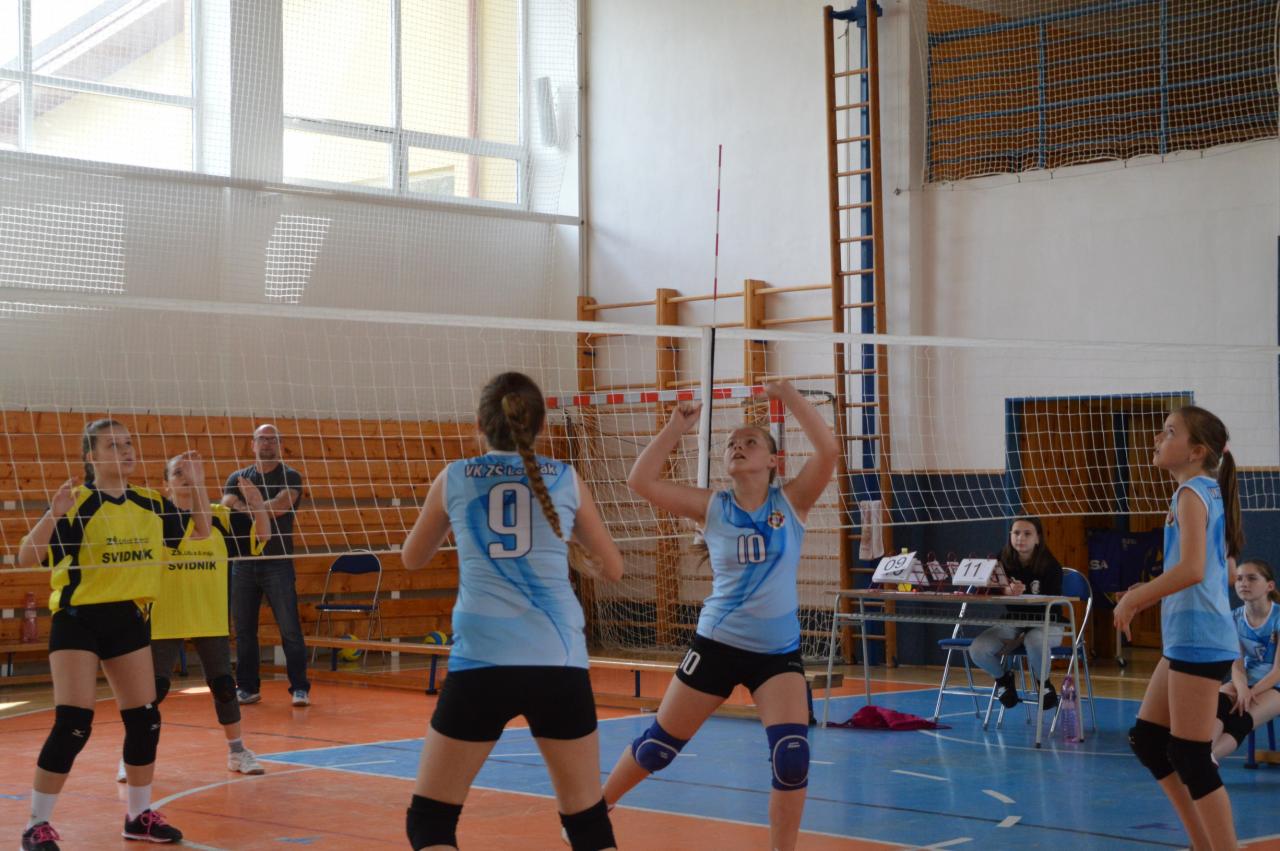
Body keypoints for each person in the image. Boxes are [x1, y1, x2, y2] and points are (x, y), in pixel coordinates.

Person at [601, 380, 838, 851]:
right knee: (659, 748)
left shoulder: (791, 502)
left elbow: (828, 451)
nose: (738, 446)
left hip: (776, 655)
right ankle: (592, 811)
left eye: (750, 441)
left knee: (792, 757)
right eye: (731, 443)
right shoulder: (712, 506)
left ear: (773, 461)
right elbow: (640, 481)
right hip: (716, 646)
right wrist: (674, 428)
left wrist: (788, 397)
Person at [400, 371, 624, 851]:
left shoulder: (455, 477)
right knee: (587, 822)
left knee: (431, 823)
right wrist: (570, 544)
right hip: (557, 660)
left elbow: (412, 558)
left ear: (479, 425)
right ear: (540, 426)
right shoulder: (565, 478)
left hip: (482, 661)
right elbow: (614, 568)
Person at [16, 420, 210, 849]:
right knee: (73, 723)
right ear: (92, 457)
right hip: (78, 618)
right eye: (113, 445)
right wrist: (54, 513)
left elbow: (201, 529)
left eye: (128, 444)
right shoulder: (79, 503)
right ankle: (36, 825)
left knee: (145, 718)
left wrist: (197, 484)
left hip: (127, 617)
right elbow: (25, 556)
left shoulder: (149, 502)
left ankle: (138, 817)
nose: (125, 451)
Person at [1114, 405, 1243, 851]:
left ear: (1197, 451)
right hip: (1191, 636)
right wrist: (1151, 590)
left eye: (1169, 432)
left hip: (1200, 638)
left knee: (1191, 755)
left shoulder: (1192, 493)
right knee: (1149, 741)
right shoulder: (1203, 491)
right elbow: (1206, 571)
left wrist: (1136, 598)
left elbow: (1192, 568)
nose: (1157, 439)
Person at [116, 455, 274, 783]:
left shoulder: (220, 517)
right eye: (178, 472)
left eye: (192, 471)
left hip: (209, 616)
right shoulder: (158, 518)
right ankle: (131, 754)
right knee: (152, 691)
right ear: (166, 484)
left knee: (224, 686)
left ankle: (237, 751)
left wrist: (258, 505)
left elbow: (262, 536)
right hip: (165, 616)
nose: (186, 477)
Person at [221, 423, 310, 706]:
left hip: (277, 562)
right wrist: (257, 507)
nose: (267, 443)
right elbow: (226, 503)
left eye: (273, 439)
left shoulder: (290, 475)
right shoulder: (238, 476)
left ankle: (300, 688)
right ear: (253, 444)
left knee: (290, 629)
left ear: (280, 445)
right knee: (244, 630)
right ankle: (247, 687)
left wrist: (252, 505)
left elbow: (281, 505)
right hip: (243, 563)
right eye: (262, 439)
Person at [967, 516, 1065, 710]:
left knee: (1034, 640)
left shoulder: (1051, 566)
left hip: (1047, 622)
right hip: (1015, 622)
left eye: (1027, 534)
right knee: (978, 649)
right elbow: (984, 588)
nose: (1020, 538)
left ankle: (1044, 684)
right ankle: (1003, 679)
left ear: (1037, 538)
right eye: (1016, 533)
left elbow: (1051, 602)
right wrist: (1005, 590)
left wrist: (1022, 595)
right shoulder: (1001, 560)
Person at [1211, 559, 1280, 760]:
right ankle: (1201, 756)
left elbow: (1277, 671)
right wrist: (1242, 689)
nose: (1244, 583)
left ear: (1269, 586)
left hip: (1275, 684)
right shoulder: (1234, 618)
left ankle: (1207, 759)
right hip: (1247, 680)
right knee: (1217, 704)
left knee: (1240, 719)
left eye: (1251, 578)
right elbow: (1237, 665)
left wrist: (1250, 693)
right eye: (1239, 578)